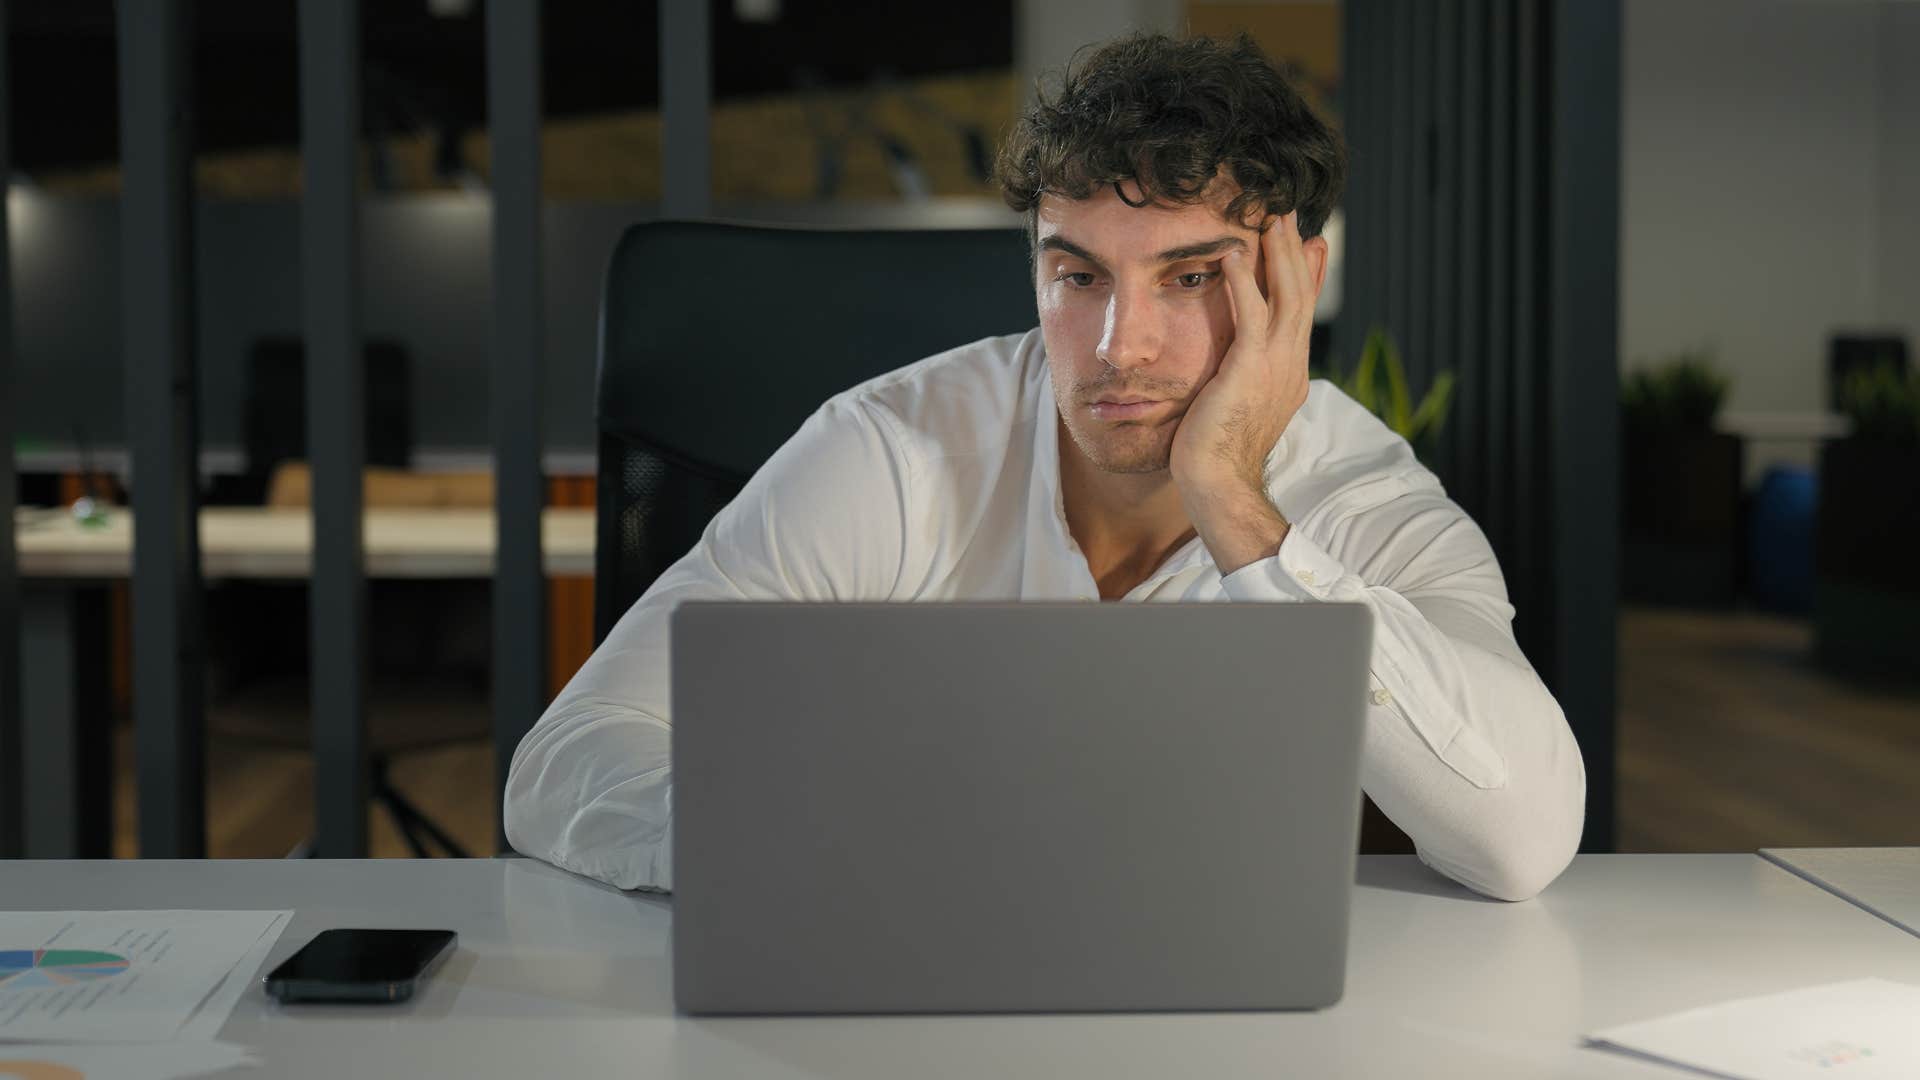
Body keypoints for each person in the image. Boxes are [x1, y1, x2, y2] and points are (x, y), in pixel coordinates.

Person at [505, 32, 1586, 902]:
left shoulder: (1361, 496)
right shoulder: (893, 449)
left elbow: (1521, 839)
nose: (1121, 345)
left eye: (1192, 277)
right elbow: (566, 763)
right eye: (1078, 277)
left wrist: (1231, 501)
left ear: (1297, 281)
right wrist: (797, 856)